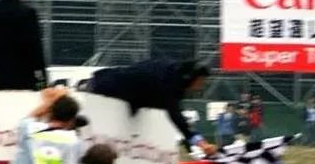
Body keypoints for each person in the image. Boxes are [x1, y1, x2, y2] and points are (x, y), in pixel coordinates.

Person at [86, 59, 218, 157]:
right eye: (200, 82)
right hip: (102, 90)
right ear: (189, 78)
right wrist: (201, 143)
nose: (200, 87)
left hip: (110, 86)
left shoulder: (171, 71)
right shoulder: (167, 83)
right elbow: (176, 116)